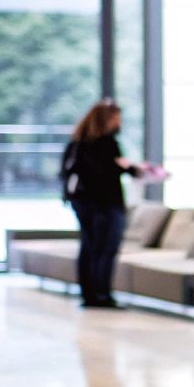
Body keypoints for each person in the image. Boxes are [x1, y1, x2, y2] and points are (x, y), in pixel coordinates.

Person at [60, 99, 146, 309]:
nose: (119, 123)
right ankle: (102, 295)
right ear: (108, 119)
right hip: (104, 202)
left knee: (90, 246)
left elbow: (67, 172)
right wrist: (133, 170)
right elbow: (107, 171)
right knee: (106, 247)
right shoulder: (105, 143)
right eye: (117, 118)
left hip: (81, 201)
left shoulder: (77, 142)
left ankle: (90, 294)